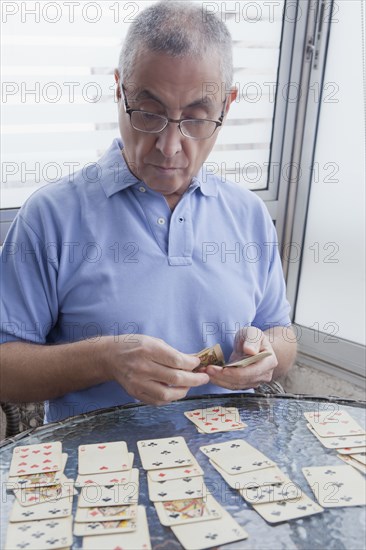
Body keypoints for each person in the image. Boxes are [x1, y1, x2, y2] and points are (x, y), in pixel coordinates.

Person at [0, 1, 297, 423]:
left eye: (196, 118)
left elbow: (281, 333)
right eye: (149, 113)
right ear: (119, 89)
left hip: (234, 467)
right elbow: (5, 370)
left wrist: (268, 354)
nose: (170, 147)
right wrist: (105, 358)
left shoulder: (247, 214)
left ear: (226, 107)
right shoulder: (50, 217)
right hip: (97, 477)